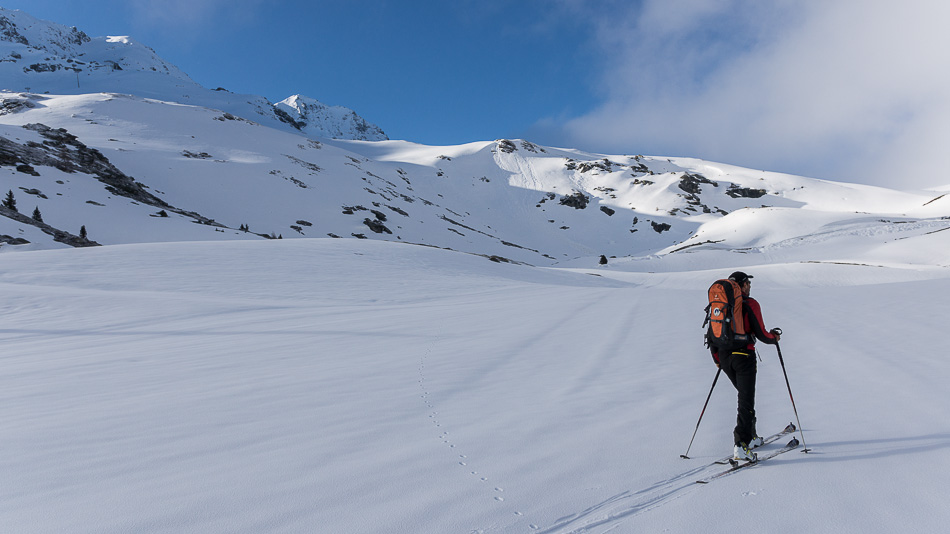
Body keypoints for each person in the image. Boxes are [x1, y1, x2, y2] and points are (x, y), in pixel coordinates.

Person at [710, 271, 781, 461]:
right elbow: (762, 335)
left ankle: (751, 437)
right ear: (740, 286)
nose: (749, 286)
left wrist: (718, 360)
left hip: (725, 358)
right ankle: (741, 444)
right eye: (747, 283)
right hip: (744, 358)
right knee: (746, 401)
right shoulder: (751, 304)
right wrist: (775, 338)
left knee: (745, 398)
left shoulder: (721, 305)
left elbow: (712, 336)